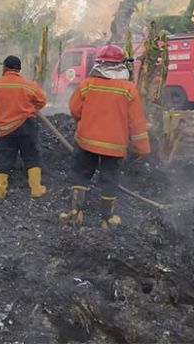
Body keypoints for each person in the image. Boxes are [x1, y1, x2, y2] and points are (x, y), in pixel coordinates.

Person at [59, 44, 150, 228]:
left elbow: (75, 109)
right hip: (114, 147)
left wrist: (82, 121)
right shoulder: (128, 89)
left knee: (81, 174)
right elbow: (137, 123)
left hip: (86, 142)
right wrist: (141, 148)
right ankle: (107, 220)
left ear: (99, 64)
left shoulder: (87, 84)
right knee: (110, 179)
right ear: (121, 65)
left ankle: (76, 213)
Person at [0, 55, 48, 199]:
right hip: (27, 125)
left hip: (5, 128)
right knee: (32, 155)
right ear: (19, 69)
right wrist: (30, 106)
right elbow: (42, 101)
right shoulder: (29, 85)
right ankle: (36, 189)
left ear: (5, 68)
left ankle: (0, 191)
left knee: (4, 157)